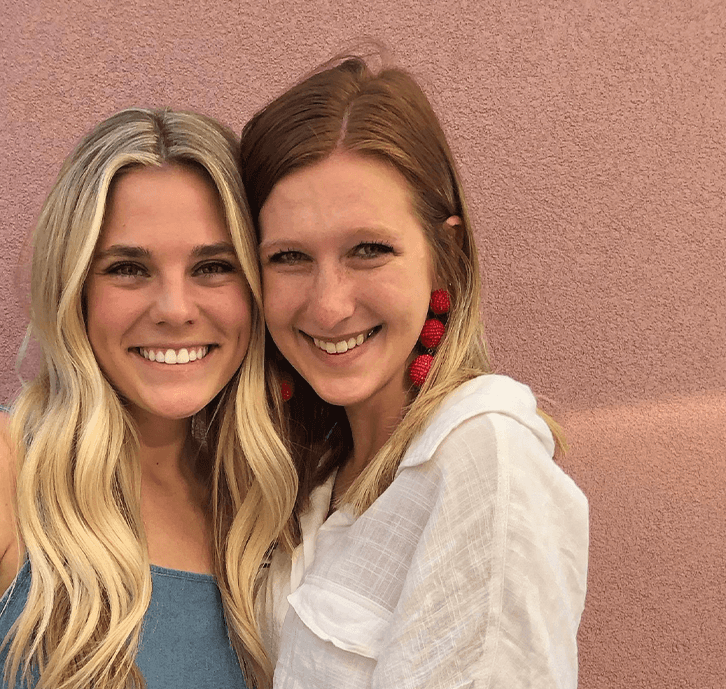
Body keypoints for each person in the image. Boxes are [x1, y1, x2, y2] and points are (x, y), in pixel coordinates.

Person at [0, 108, 297, 689]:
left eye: (213, 267)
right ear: (75, 290)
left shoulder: (255, 506)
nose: (175, 309)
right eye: (129, 268)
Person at [238, 55, 590, 688]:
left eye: (369, 250)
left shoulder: (482, 456)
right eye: (288, 257)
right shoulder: (312, 471)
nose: (328, 305)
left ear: (444, 255)